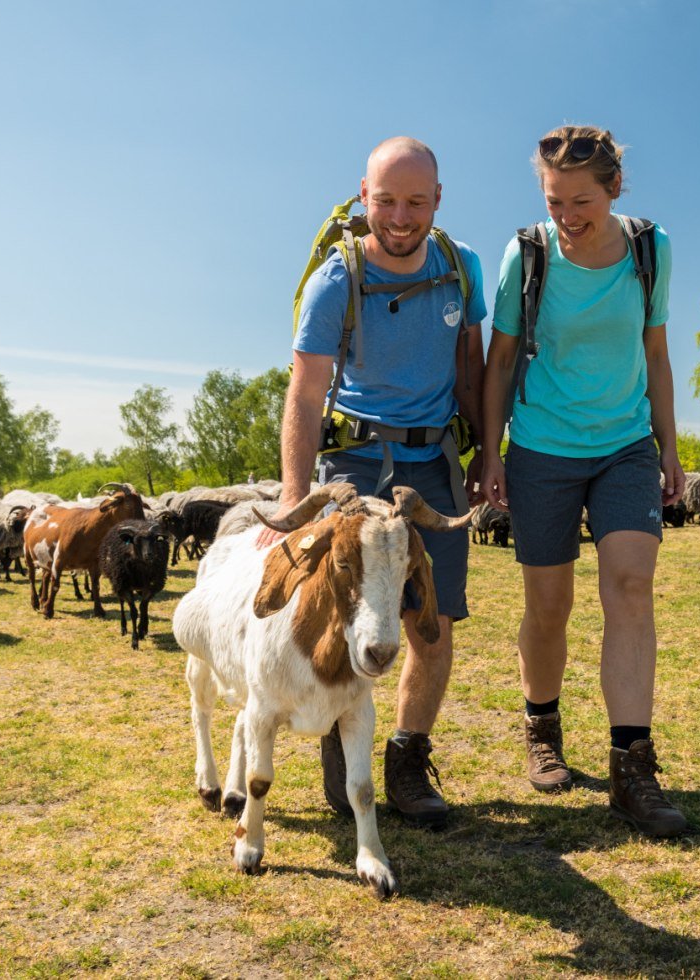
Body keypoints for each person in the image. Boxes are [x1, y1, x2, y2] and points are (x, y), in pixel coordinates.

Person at [262, 137, 486, 829]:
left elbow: (471, 368)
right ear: (364, 196)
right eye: (386, 200)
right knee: (346, 613)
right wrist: (295, 495)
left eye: (416, 201)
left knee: (432, 620)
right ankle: (342, 744)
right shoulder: (338, 279)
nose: (400, 215)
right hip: (354, 467)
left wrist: (489, 455)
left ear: (437, 202)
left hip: (434, 465)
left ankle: (408, 758)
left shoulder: (460, 268)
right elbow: (304, 394)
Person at [477, 125, 688, 838]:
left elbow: (655, 352)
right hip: (541, 447)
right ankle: (541, 725)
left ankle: (633, 766)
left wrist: (669, 445)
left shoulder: (652, 251)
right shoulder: (528, 255)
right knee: (550, 604)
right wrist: (491, 452)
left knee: (630, 586)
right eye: (554, 200)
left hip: (625, 444)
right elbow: (500, 360)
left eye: (582, 202)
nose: (567, 217)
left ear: (614, 191)